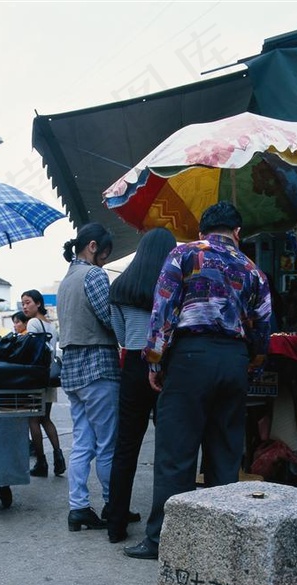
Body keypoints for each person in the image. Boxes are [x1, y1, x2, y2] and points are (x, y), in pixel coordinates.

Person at [124, 201, 272, 559]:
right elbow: (263, 326)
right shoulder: (254, 270)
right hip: (234, 360)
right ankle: (222, 544)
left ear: (202, 231)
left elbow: (163, 310)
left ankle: (164, 541)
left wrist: (154, 362)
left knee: (177, 453)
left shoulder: (183, 255)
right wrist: (250, 364)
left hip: (191, 357)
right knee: (224, 453)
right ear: (237, 233)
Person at [105, 227, 177, 543]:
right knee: (169, 448)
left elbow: (119, 337)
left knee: (126, 447)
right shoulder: (175, 284)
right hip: (168, 366)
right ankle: (164, 524)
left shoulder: (120, 287)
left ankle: (116, 524)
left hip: (133, 365)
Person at [56, 223, 120, 531]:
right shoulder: (93, 275)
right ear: (92, 247)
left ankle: (78, 507)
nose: (105, 261)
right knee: (108, 443)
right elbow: (109, 319)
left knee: (82, 443)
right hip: (97, 366)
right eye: (105, 254)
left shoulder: (66, 281)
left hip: (72, 369)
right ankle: (113, 505)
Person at [20, 289, 66, 477]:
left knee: (33, 419)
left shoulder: (32, 323)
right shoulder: (50, 325)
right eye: (22, 303)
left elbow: (30, 351)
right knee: (46, 418)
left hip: (34, 377)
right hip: (49, 376)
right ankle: (59, 457)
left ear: (38, 303)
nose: (24, 306)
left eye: (28, 302)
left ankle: (41, 462)